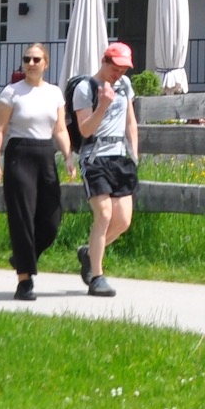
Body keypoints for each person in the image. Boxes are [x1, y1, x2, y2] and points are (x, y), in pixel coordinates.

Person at [0, 43, 71, 300]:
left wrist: (68, 157)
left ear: (46, 63)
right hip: (19, 154)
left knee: (51, 217)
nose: (31, 63)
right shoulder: (11, 92)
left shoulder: (55, 93)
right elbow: (0, 129)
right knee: (22, 215)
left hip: (45, 154)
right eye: (27, 59)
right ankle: (24, 280)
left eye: (36, 59)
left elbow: (60, 129)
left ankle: (23, 257)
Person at [71, 42, 139, 297]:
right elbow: (85, 130)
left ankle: (89, 253)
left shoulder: (125, 86)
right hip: (95, 157)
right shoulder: (84, 88)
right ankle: (97, 277)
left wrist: (135, 153)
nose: (119, 73)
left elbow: (130, 121)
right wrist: (102, 106)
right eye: (116, 67)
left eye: (124, 68)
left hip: (120, 157)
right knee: (105, 215)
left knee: (123, 221)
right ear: (105, 62)